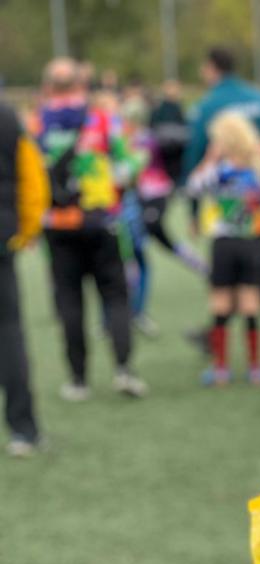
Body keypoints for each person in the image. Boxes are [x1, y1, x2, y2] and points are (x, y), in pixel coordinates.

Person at [183, 46, 260, 373]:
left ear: (211, 68)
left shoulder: (208, 105)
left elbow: (194, 162)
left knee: (250, 281)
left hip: (226, 223)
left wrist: (193, 212)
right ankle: (222, 339)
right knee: (252, 275)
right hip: (258, 210)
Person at [36, 58, 147, 402]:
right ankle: (124, 370)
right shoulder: (101, 120)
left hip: (57, 225)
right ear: (81, 85)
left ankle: (78, 380)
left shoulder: (38, 124)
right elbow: (129, 164)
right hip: (102, 221)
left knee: (69, 301)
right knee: (115, 295)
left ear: (47, 87)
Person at [187, 112, 260, 386]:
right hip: (250, 241)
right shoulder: (258, 166)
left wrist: (209, 159)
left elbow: (193, 187)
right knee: (251, 304)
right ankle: (255, 368)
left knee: (221, 304)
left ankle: (221, 368)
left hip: (223, 243)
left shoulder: (219, 169)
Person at [0, 98, 48, 458]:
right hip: (2, 238)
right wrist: (27, 229)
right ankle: (23, 429)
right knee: (8, 332)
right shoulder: (7, 116)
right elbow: (32, 177)